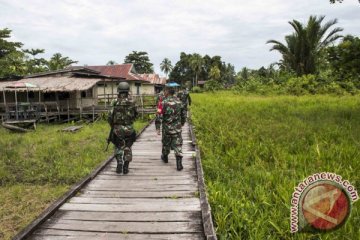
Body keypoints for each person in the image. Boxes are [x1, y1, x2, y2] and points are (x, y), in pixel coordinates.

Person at [108, 82, 138, 174]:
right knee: (128, 147)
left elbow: (110, 116)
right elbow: (136, 115)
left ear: (119, 91)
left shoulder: (114, 101)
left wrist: (112, 125)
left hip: (117, 128)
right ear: (128, 90)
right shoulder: (132, 101)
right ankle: (126, 166)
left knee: (118, 146)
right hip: (129, 128)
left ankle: (119, 162)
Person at [155, 87, 186, 171]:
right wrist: (182, 122)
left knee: (166, 143)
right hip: (177, 128)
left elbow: (158, 115)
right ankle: (179, 163)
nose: (164, 92)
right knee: (178, 145)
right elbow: (183, 114)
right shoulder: (179, 102)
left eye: (165, 91)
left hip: (166, 129)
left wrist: (158, 127)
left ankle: (165, 157)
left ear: (167, 92)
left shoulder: (163, 103)